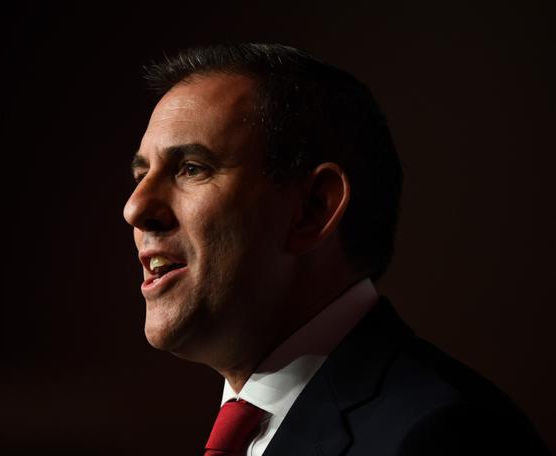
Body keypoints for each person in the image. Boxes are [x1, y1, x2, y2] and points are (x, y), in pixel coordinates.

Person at [123, 43, 548, 455]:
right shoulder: (251, 428)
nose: (136, 208)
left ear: (313, 209)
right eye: (141, 174)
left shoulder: (442, 437)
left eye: (191, 168)